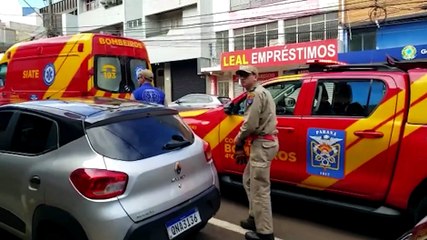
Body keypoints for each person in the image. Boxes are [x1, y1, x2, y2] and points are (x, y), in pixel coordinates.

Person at [234, 65, 279, 240]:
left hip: (262, 145)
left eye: (246, 75)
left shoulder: (255, 94)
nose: (242, 79)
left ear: (255, 76)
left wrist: (238, 139)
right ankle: (254, 217)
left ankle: (265, 233)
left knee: (260, 189)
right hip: (264, 143)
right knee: (248, 180)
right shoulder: (260, 92)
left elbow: (250, 125)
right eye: (240, 76)